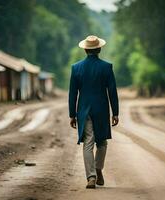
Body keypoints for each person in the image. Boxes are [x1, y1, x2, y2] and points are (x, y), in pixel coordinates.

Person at [68, 35, 119, 189]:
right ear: (99, 49)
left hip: (84, 110)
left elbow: (73, 93)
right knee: (102, 142)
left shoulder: (76, 68)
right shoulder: (106, 67)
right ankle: (98, 169)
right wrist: (115, 112)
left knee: (88, 143)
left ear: (85, 49)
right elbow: (112, 91)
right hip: (102, 110)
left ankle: (91, 177)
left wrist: (72, 114)